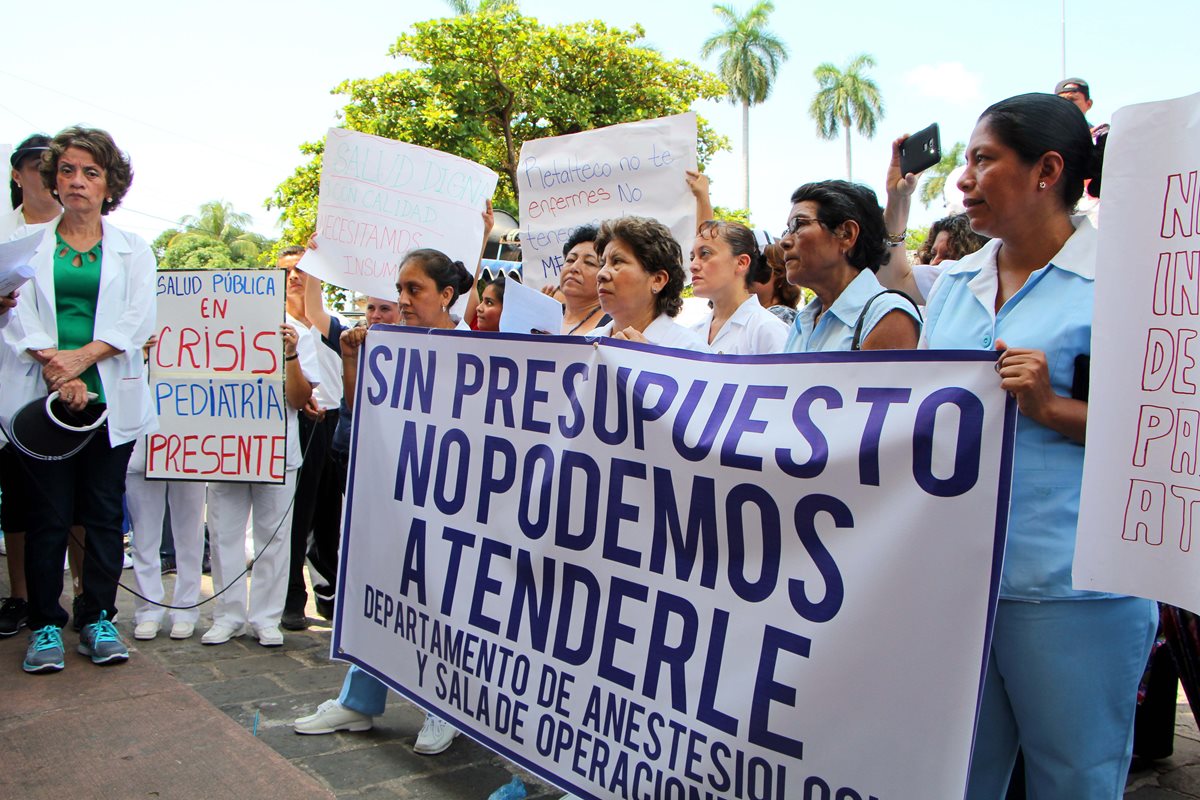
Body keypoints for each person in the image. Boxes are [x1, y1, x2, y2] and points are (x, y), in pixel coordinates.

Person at [922, 92, 1157, 798]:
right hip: (961, 588)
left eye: (984, 160)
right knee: (961, 779)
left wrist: (1054, 408)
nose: (963, 178)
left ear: (1047, 170)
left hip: (1073, 589)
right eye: (964, 160)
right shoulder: (953, 287)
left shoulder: (1127, 281)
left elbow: (1163, 435)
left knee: (1074, 779)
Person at [293, 248, 472, 756]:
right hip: (390, 494)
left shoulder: (473, 350)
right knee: (379, 594)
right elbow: (359, 411)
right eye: (400, 290)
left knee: (440, 601)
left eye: (414, 290)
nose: (403, 299)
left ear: (446, 295)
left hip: (444, 503)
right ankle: (359, 699)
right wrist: (351, 360)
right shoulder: (387, 342)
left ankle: (445, 707)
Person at [9, 126, 157, 672]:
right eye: (67, 170)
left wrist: (80, 361)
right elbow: (16, 320)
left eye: (91, 173)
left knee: (100, 514)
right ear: (53, 179)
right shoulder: (28, 248)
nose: (77, 182)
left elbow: (138, 320)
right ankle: (45, 623)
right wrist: (57, 369)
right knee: (48, 516)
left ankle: (96, 616)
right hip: (45, 398)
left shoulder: (133, 249)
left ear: (108, 185)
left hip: (108, 400)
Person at [202, 307, 319, 647]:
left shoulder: (298, 333)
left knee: (275, 538)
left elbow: (299, 398)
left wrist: (291, 354)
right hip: (225, 450)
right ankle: (228, 615)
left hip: (276, 452)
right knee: (224, 533)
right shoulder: (219, 328)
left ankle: (266, 617)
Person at [0, 134, 62, 637]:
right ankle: (19, 596)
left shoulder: (82, 234)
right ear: (17, 175)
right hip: (11, 380)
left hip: (71, 379)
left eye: (55, 167)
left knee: (79, 496)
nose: (48, 177)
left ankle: (87, 596)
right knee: (18, 498)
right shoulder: (5, 231)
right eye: (36, 167)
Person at [279, 245, 345, 631]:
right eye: (286, 271)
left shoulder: (329, 325)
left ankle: (329, 591)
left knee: (330, 517)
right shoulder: (277, 328)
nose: (294, 277)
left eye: (302, 269)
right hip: (301, 422)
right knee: (295, 516)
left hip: (334, 423)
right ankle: (291, 597)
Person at [780, 180, 920, 352]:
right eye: (786, 230)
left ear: (847, 234)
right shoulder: (804, 320)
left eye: (799, 224)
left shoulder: (887, 314)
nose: (785, 241)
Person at [589, 216, 709, 352]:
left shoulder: (691, 350)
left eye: (617, 261)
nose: (601, 274)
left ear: (658, 280)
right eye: (602, 264)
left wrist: (647, 364)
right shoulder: (585, 343)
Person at [687, 220, 788, 354]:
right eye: (692, 257)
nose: (693, 266)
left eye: (705, 253)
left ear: (741, 262)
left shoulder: (767, 329)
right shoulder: (693, 332)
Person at [556, 225, 610, 335]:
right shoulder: (542, 316)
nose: (574, 268)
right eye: (570, 260)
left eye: (589, 262)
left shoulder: (614, 326)